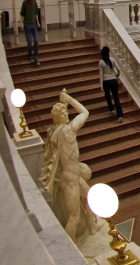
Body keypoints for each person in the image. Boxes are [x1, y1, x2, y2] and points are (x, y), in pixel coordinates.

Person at [39, 90, 102, 241]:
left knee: (90, 198)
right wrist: (70, 99)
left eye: (66, 113)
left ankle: (92, 227)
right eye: (64, 114)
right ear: (59, 117)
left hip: (75, 177)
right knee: (74, 217)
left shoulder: (54, 131)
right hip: (70, 182)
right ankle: (71, 246)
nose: (67, 116)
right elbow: (84, 112)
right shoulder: (68, 131)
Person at [99, 46, 124, 123]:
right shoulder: (112, 60)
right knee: (116, 97)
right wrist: (117, 75)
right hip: (113, 80)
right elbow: (118, 69)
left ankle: (112, 109)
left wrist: (101, 84)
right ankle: (120, 115)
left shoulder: (101, 62)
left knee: (107, 96)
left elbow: (101, 74)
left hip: (106, 81)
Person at [20, 0, 41, 65]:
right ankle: (30, 55)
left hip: (33, 24)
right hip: (27, 25)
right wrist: (21, 23)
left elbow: (36, 13)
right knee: (29, 41)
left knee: (36, 40)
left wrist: (37, 22)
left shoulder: (34, 2)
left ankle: (36, 56)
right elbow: (22, 14)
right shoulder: (24, 3)